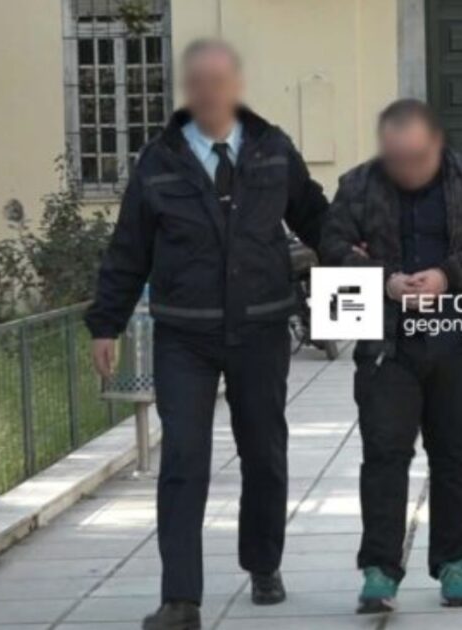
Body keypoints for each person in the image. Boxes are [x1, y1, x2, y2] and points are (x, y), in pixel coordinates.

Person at [84, 39, 329, 630]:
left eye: (220, 82)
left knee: (264, 453)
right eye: (199, 82)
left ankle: (263, 564)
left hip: (261, 327)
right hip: (184, 335)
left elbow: (316, 218)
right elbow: (129, 248)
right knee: (184, 459)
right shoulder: (159, 160)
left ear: (236, 87)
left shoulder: (273, 149)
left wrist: (363, 260)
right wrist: (106, 323)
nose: (209, 92)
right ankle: (181, 599)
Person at [319, 99, 462, 614]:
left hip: (459, 337)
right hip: (386, 342)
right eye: (396, 158)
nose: (406, 169)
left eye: (416, 158)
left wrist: (448, 276)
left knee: (455, 455)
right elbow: (330, 243)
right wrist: (384, 280)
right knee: (384, 455)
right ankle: (379, 569)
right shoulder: (358, 185)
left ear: (437, 145)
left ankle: (455, 562)